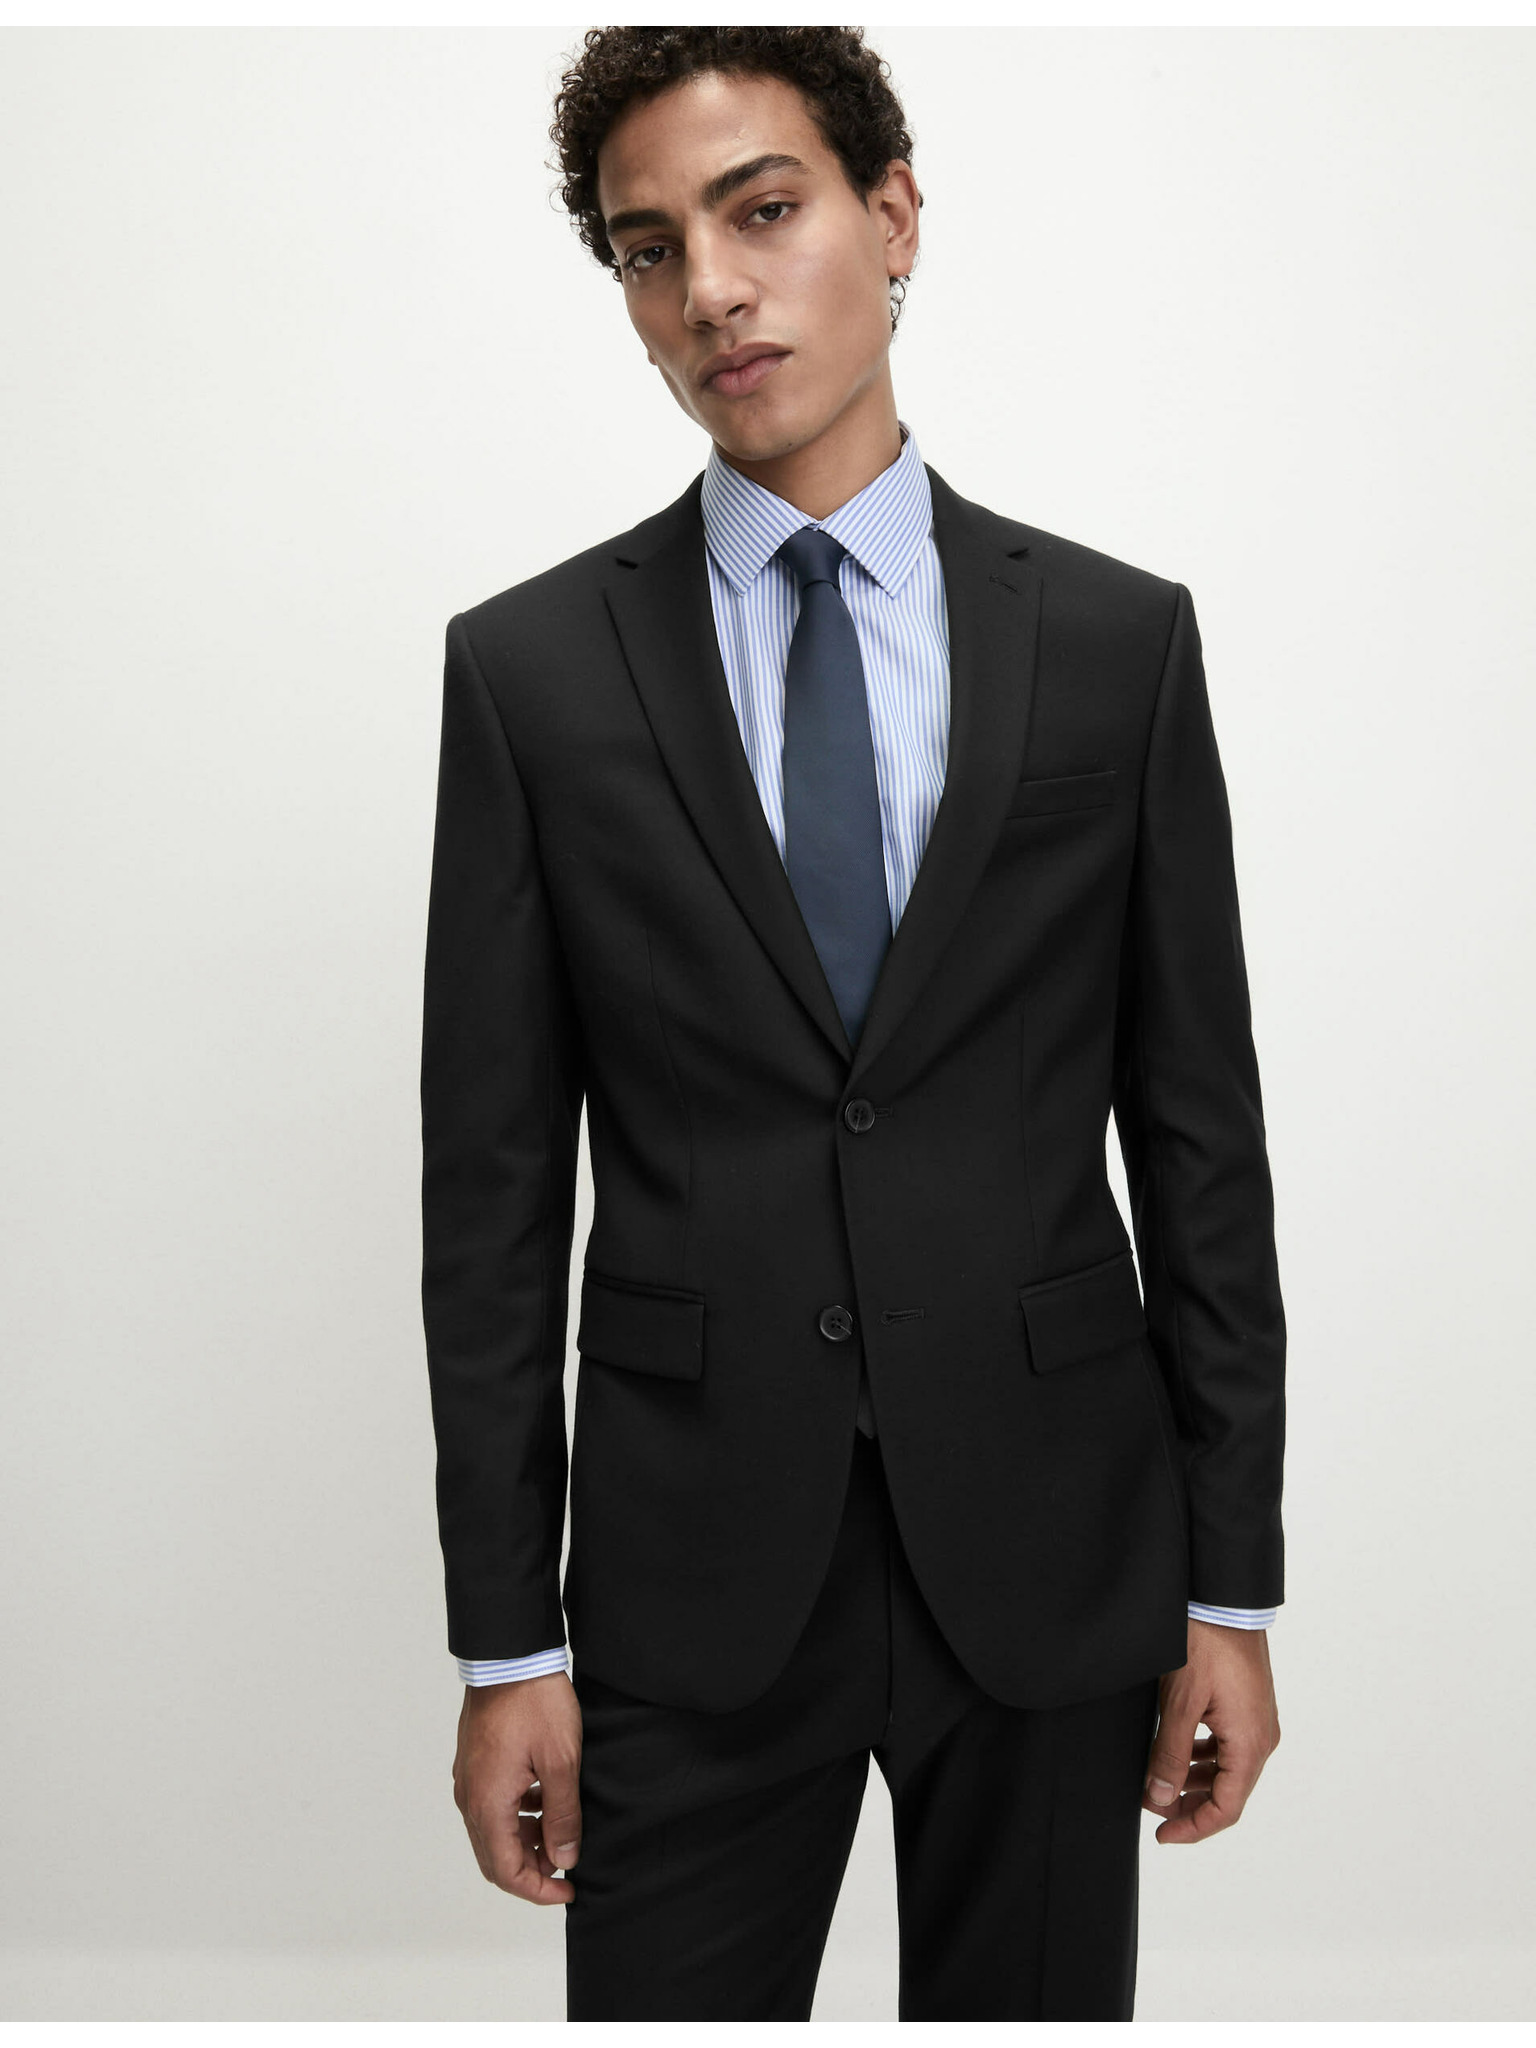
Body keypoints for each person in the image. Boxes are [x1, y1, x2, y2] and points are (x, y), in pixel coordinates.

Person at [420, 26, 1285, 2022]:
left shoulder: (1116, 645)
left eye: (763, 210)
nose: (711, 290)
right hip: (694, 1568)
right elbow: (490, 1201)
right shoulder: (532, 675)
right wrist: (504, 1643)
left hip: (1057, 1543)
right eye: (649, 249)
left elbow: (1201, 1140)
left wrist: (1228, 1581)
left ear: (892, 217)